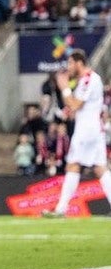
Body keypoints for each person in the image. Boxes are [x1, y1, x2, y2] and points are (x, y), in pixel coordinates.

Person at [43, 51, 111, 217]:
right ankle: (61, 209)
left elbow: (75, 104)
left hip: (87, 130)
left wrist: (65, 88)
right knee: (100, 168)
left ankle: (61, 209)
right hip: (93, 129)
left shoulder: (89, 79)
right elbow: (75, 108)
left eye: (70, 63)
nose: (68, 67)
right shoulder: (84, 80)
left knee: (73, 165)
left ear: (79, 63)